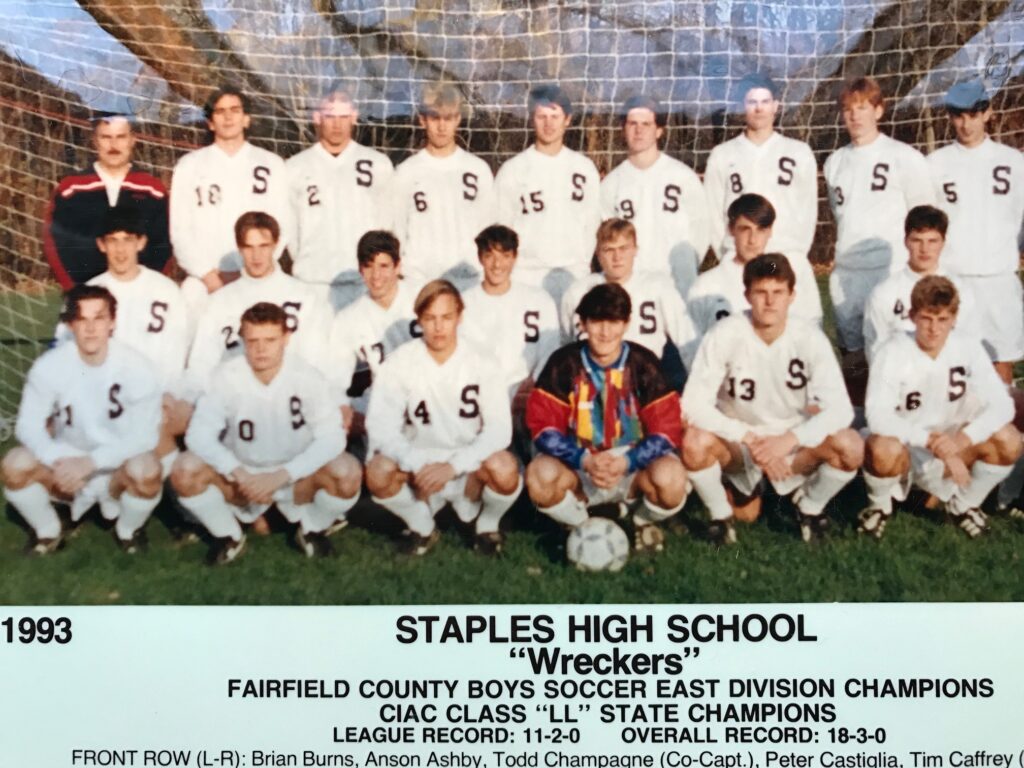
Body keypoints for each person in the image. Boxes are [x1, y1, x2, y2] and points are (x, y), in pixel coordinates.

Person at [682, 254, 862, 545]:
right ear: (747, 295)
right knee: (695, 443)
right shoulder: (725, 333)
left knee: (850, 445)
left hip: (791, 444)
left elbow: (841, 409)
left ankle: (810, 508)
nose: (769, 302)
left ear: (792, 296)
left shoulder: (809, 337)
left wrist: (790, 439)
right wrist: (747, 438)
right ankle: (721, 517)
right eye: (761, 292)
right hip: (741, 443)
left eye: (778, 292)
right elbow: (693, 404)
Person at [172, 303, 360, 563]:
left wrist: (282, 475)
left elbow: (333, 437)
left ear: (286, 338)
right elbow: (197, 435)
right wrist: (238, 472)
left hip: (294, 479)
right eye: (253, 341)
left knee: (347, 471)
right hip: (242, 479)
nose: (261, 349)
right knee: (184, 469)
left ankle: (312, 530)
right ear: (242, 339)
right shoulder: (226, 376)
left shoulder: (307, 376)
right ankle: (228, 535)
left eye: (270, 340)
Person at [525, 282, 687, 554]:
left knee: (672, 479)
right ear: (583, 324)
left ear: (626, 324)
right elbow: (543, 428)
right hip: (579, 464)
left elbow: (666, 430)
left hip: (631, 463)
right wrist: (584, 459)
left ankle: (637, 523)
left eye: (613, 322)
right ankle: (580, 524)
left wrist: (628, 461)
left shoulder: (643, 362)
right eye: (597, 321)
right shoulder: (564, 362)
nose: (605, 331)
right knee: (539, 475)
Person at [1, 285, 163, 554]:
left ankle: (127, 530)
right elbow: (27, 425)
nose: (90, 328)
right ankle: (48, 531)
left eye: (98, 318)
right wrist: (58, 460)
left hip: (115, 469)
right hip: (65, 466)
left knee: (147, 469)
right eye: (81, 319)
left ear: (112, 323)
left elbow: (146, 436)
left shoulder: (137, 366)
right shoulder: (49, 366)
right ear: (70, 325)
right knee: (14, 463)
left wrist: (91, 463)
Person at [364, 281, 521, 556]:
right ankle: (421, 526)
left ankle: (486, 526)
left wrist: (454, 466)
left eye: (446, 317)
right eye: (430, 318)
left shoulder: (482, 360)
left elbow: (499, 430)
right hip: (420, 463)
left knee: (505, 467)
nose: (438, 327)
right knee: (377, 470)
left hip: (468, 463)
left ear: (460, 317)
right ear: (419, 320)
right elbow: (380, 426)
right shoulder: (400, 362)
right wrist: (416, 462)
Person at [861, 276, 1021, 539]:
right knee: (882, 447)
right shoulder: (892, 351)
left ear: (954, 318)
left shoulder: (967, 347)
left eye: (943, 319)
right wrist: (932, 442)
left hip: (954, 443)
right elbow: (877, 416)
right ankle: (879, 508)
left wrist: (961, 440)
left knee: (1009, 439)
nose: (934, 329)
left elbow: (1003, 406)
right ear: (912, 316)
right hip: (908, 448)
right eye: (926, 318)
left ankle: (963, 506)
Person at [60, 207, 190, 472]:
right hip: (104, 397)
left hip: (155, 395)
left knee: (161, 421)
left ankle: (172, 483)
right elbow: (65, 356)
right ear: (101, 245)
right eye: (113, 240)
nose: (120, 250)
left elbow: (177, 353)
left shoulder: (165, 290)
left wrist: (167, 393)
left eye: (128, 240)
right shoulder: (87, 294)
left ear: (141, 243)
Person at [824, 76, 934, 355]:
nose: (855, 116)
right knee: (853, 357)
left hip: (891, 270)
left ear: (878, 110)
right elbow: (840, 216)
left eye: (862, 107)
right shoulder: (834, 163)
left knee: (899, 353)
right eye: (848, 109)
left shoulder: (904, 156)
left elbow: (925, 219)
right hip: (848, 273)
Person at [927, 80, 1024, 384]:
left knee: (1000, 365)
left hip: (999, 279)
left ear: (987, 113)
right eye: (958, 116)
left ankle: (1002, 414)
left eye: (973, 115)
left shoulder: (1014, 162)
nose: (966, 124)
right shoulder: (935, 164)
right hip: (954, 277)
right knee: (952, 366)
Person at [703, 73, 821, 321]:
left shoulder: (798, 152)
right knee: (741, 332)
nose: (759, 109)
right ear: (742, 107)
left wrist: (795, 254)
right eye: (752, 102)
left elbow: (808, 210)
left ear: (776, 106)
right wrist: (730, 253)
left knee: (799, 332)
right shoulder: (722, 155)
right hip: (740, 261)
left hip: (785, 257)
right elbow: (712, 214)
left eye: (765, 102)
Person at [170, 86, 291, 322]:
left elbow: (283, 225)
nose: (228, 117)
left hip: (258, 276)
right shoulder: (189, 166)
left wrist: (258, 268)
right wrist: (207, 275)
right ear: (210, 122)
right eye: (220, 111)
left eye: (235, 110)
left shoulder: (271, 164)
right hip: (205, 281)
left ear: (246, 119)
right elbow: (179, 231)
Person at [185, 212, 331, 399]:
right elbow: (201, 365)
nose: (256, 256)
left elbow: (318, 362)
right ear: (239, 249)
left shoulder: (305, 297)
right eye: (248, 247)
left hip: (292, 398)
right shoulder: (220, 301)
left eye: (264, 246)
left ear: (275, 245)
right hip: (235, 399)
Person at [286, 85, 395, 310]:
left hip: (362, 282)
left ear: (354, 117)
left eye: (343, 117)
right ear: (317, 117)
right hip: (312, 281)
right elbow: (289, 226)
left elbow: (388, 222)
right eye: (330, 116)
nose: (337, 125)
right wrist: (307, 261)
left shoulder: (378, 163)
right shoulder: (295, 167)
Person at [495, 85, 601, 300]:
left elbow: (592, 224)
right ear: (531, 120)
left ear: (567, 119)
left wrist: (582, 264)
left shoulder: (584, 168)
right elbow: (501, 226)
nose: (548, 124)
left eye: (554, 116)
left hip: (574, 274)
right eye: (541, 116)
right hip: (527, 276)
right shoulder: (513, 169)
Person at [599, 95, 710, 296]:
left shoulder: (683, 176)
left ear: (659, 130)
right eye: (632, 123)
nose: (639, 130)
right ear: (623, 128)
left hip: (676, 284)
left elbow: (701, 229)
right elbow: (606, 240)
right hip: (631, 286)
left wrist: (686, 269)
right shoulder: (611, 184)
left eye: (646, 124)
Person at [44, 114, 170, 288]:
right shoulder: (71, 189)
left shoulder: (151, 189)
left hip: (141, 291)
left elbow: (164, 244)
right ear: (95, 141)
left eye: (121, 137)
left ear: (133, 140)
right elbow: (54, 243)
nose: (113, 144)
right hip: (87, 292)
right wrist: (74, 291)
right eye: (106, 137)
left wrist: (150, 287)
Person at [560, 218, 698, 378]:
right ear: (597, 253)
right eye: (609, 250)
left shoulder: (658, 287)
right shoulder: (578, 291)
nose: (617, 257)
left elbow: (687, 340)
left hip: (644, 379)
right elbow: (564, 346)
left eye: (623, 248)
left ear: (635, 249)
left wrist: (698, 385)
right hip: (591, 378)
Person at [389, 83, 495, 289]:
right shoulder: (406, 172)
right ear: (422, 120)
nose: (441, 126)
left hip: (468, 280)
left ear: (458, 119)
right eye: (435, 118)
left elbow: (488, 227)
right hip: (419, 281)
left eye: (448, 118)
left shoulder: (478, 169)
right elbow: (397, 231)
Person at [327, 230, 421, 446]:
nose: (376, 275)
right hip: (383, 403)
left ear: (398, 266)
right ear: (360, 270)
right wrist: (346, 412)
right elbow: (334, 380)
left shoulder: (422, 297)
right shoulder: (348, 318)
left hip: (429, 397)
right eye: (369, 266)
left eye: (384, 266)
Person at [687, 194, 822, 342]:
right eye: (745, 229)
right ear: (731, 229)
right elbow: (690, 344)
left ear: (770, 231)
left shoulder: (785, 277)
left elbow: (810, 331)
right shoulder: (705, 285)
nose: (752, 240)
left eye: (760, 230)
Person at [862, 205, 977, 364]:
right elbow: (876, 351)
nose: (924, 249)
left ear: (943, 243)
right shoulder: (884, 293)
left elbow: (969, 347)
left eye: (932, 241)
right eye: (917, 240)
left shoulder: (961, 290)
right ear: (906, 242)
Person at [461, 224, 560, 405]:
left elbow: (550, 350)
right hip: (477, 397)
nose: (497, 265)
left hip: (526, 394)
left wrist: (534, 383)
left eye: (505, 256)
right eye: (490, 256)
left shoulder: (539, 299)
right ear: (480, 258)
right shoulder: (463, 303)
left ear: (514, 257)